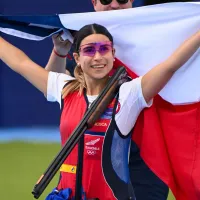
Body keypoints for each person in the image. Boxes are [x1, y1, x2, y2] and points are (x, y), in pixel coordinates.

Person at [0, 23, 199, 199]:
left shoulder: (129, 94)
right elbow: (20, 63)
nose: (98, 57)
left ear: (113, 54)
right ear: (77, 58)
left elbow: (171, 64)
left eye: (104, 49)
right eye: (89, 50)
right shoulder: (66, 88)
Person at [45, 1, 170, 199]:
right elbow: (53, 85)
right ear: (94, 3)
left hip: (147, 162)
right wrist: (59, 51)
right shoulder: (85, 38)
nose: (114, 5)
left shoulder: (155, 38)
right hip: (96, 165)